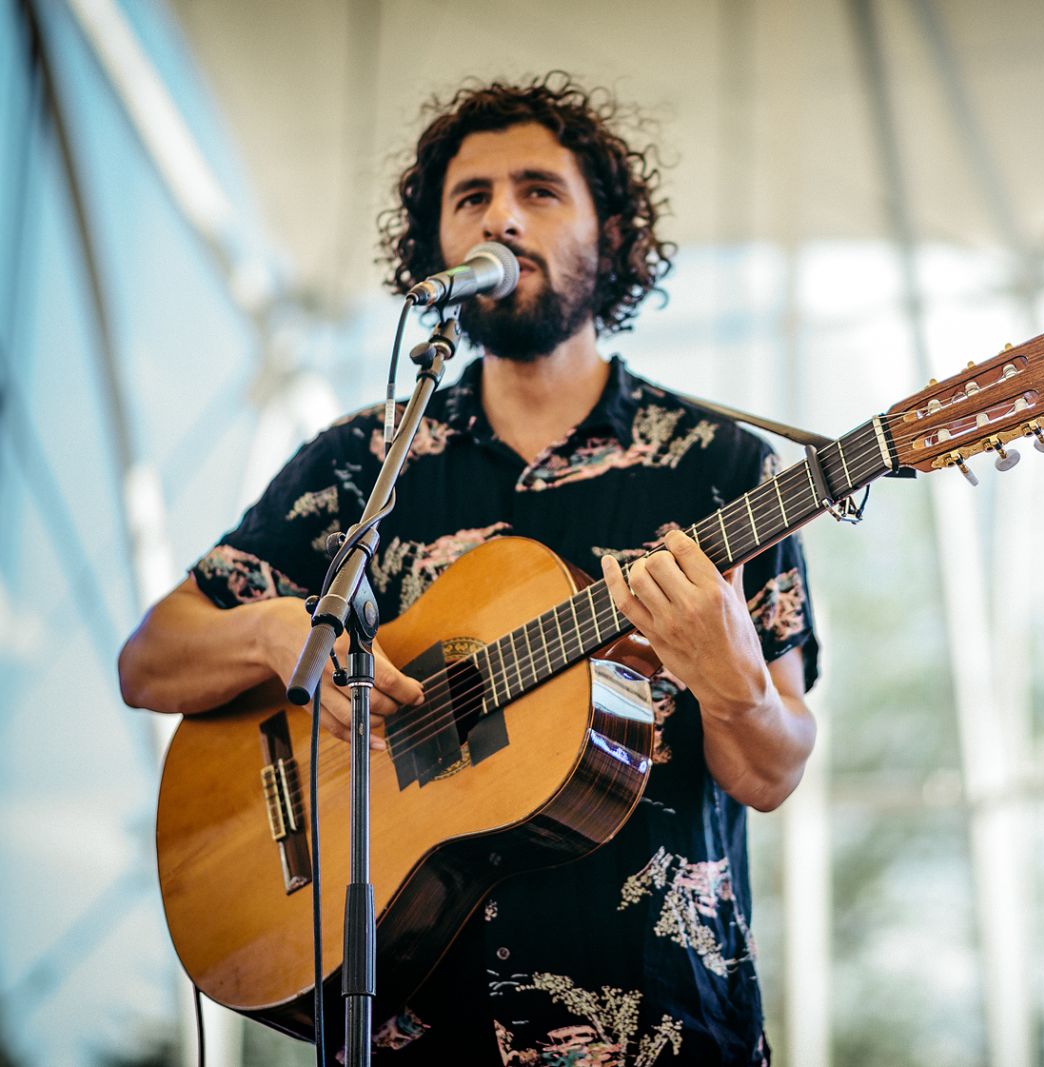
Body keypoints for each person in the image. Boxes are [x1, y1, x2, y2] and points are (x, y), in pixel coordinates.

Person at [118, 74, 819, 1065]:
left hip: (660, 1030)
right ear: (437, 250)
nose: (502, 216)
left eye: (539, 190)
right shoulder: (361, 461)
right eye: (471, 197)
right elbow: (150, 660)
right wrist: (274, 635)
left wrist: (734, 677)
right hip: (411, 1035)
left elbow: (774, 768)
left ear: (609, 236)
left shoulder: (720, 470)